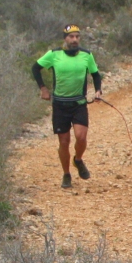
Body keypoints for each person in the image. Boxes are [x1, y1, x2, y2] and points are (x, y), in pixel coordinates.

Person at [32, 24, 103, 189]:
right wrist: (43, 88)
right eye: (71, 37)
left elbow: (95, 74)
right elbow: (35, 68)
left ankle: (78, 159)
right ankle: (66, 174)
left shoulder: (86, 55)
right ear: (65, 39)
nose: (75, 40)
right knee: (64, 142)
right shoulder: (54, 54)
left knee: (81, 137)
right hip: (60, 105)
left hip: (79, 104)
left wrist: (98, 91)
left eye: (77, 37)